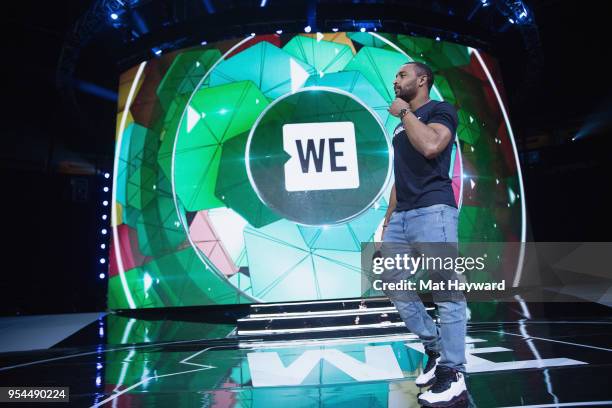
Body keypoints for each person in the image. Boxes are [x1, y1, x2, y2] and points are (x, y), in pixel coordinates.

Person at [381, 61, 468, 406]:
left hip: (434, 211)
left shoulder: (440, 110)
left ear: (421, 79)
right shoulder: (401, 128)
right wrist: (388, 219)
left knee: (447, 292)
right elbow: (400, 176)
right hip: (401, 217)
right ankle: (434, 347)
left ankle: (454, 372)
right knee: (393, 283)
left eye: (401, 75)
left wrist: (404, 113)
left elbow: (432, 146)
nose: (395, 80)